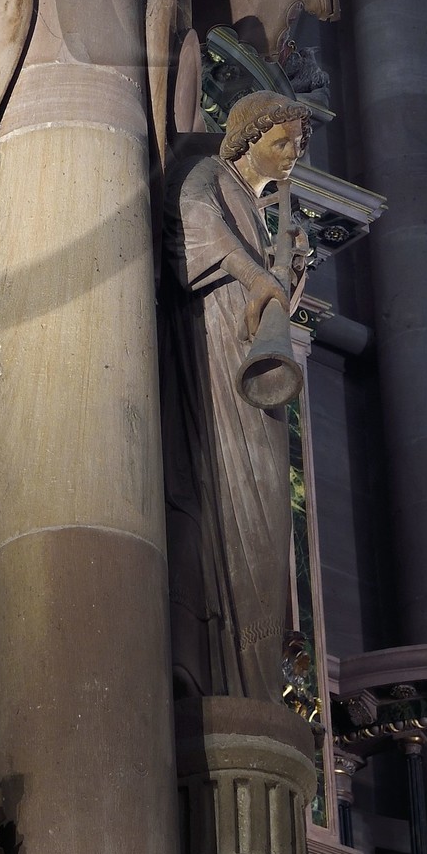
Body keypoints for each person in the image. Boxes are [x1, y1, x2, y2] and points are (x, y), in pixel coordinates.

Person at [162, 90, 311, 705]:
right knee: (233, 500)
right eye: (282, 143)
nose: (292, 155)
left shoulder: (259, 206)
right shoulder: (210, 174)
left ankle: (255, 682)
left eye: (298, 146)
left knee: (267, 513)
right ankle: (227, 674)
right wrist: (257, 276)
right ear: (249, 139)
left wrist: (287, 277)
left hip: (255, 378)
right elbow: (188, 222)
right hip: (216, 356)